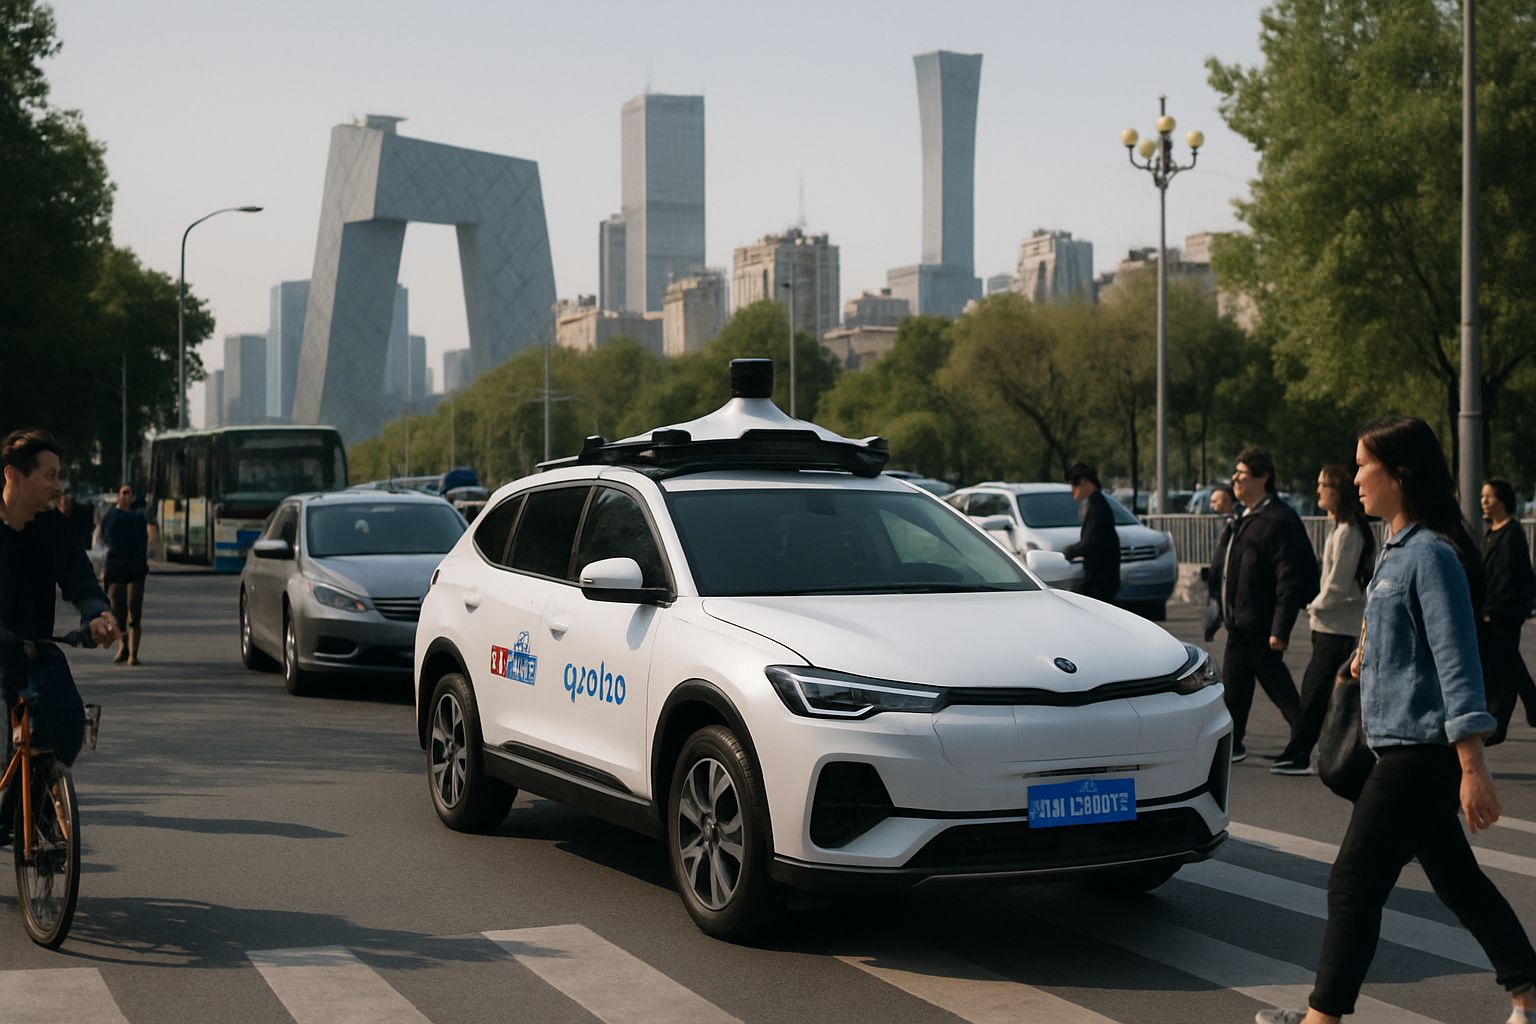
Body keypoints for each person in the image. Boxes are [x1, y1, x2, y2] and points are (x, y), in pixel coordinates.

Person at [1257, 416, 1536, 1024]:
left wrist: (1473, 768)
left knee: (1352, 882)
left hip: (1421, 751)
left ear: (1400, 472)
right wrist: (1368, 656)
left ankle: (1320, 1019)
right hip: (1402, 746)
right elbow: (1412, 646)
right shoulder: (1396, 549)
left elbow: (1457, 663)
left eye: (1363, 466)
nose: (1354, 477)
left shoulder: (1431, 554)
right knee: (1459, 883)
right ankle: (1528, 990)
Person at [0, 429, 118, 849]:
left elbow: (79, 578)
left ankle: (37, 806)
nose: (58, 485)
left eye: (59, 475)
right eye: (49, 475)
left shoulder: (53, 527)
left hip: (34, 645)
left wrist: (98, 615)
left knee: (67, 720)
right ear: (13, 474)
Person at [1213, 447, 1319, 763]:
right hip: (1239, 623)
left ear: (1263, 478)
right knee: (1234, 691)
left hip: (1261, 624)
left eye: (1242, 475)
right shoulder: (1245, 517)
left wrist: (1280, 627)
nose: (1234, 480)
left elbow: (1290, 577)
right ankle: (1233, 744)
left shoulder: (1278, 520)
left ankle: (1303, 744)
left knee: (1281, 691)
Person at [1271, 465, 1375, 775]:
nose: (1318, 490)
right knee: (1324, 695)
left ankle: (1298, 754)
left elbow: (1338, 585)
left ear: (1336, 491)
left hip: (1336, 626)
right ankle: (1310, 753)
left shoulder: (1348, 532)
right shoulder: (1342, 529)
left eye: (1322, 485)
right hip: (1330, 625)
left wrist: (1313, 606)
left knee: (1315, 694)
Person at [1480, 476, 1536, 745]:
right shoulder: (1491, 532)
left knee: (1504, 666)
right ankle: (1531, 704)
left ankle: (1498, 722)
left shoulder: (1512, 534)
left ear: (1502, 501)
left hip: (1504, 612)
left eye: (1489, 497)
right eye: (1482, 497)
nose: (1484, 502)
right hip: (1493, 611)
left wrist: (1493, 609)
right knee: (1509, 662)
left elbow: (1509, 577)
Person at [98, 483, 150, 666]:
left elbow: (145, 541)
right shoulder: (111, 515)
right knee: (117, 615)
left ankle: (133, 654)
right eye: (123, 493)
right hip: (116, 570)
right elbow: (103, 536)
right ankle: (122, 648)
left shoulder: (138, 517)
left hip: (136, 571)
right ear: (119, 495)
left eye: (129, 493)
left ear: (133, 496)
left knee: (134, 615)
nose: (126, 496)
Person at [1062, 462, 1120, 604]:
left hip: (1100, 580)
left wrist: (1069, 551)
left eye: (1073, 486)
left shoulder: (1098, 507)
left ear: (1083, 482)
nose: (1072, 491)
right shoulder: (1096, 503)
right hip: (1100, 578)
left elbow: (1092, 542)